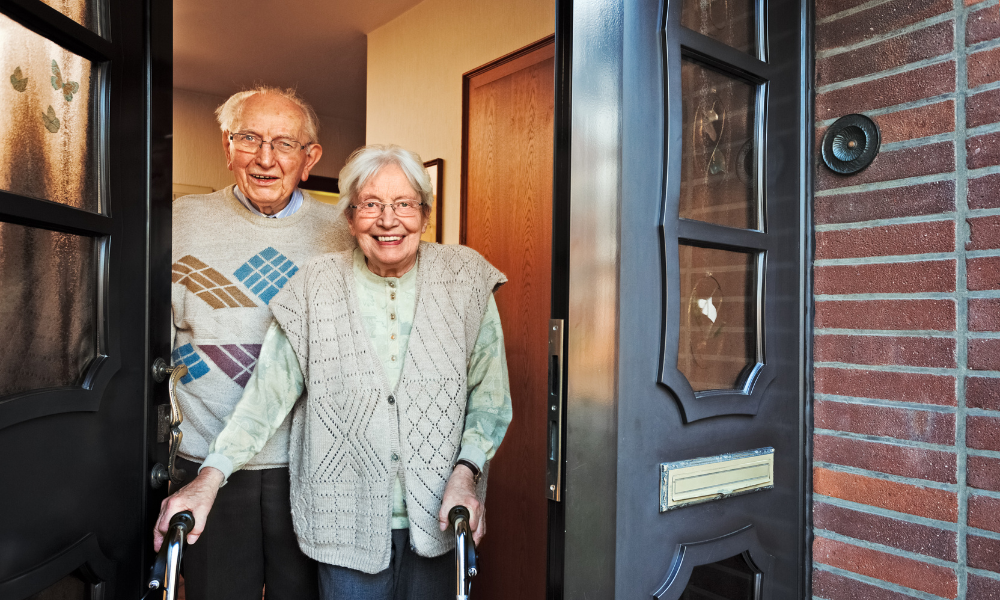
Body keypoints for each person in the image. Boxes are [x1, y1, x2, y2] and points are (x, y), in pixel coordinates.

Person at [156, 144, 512, 599]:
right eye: (371, 205)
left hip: (441, 515)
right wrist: (208, 479)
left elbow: (490, 398)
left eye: (404, 204)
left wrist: (467, 472)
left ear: (424, 215)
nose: (388, 220)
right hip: (345, 522)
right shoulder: (314, 286)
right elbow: (266, 398)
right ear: (349, 219)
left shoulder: (465, 279)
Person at [164, 85, 353, 600]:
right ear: (227, 147)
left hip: (310, 462)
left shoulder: (342, 231)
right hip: (208, 459)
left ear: (309, 158)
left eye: (284, 144)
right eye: (249, 138)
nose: (265, 158)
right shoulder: (178, 221)